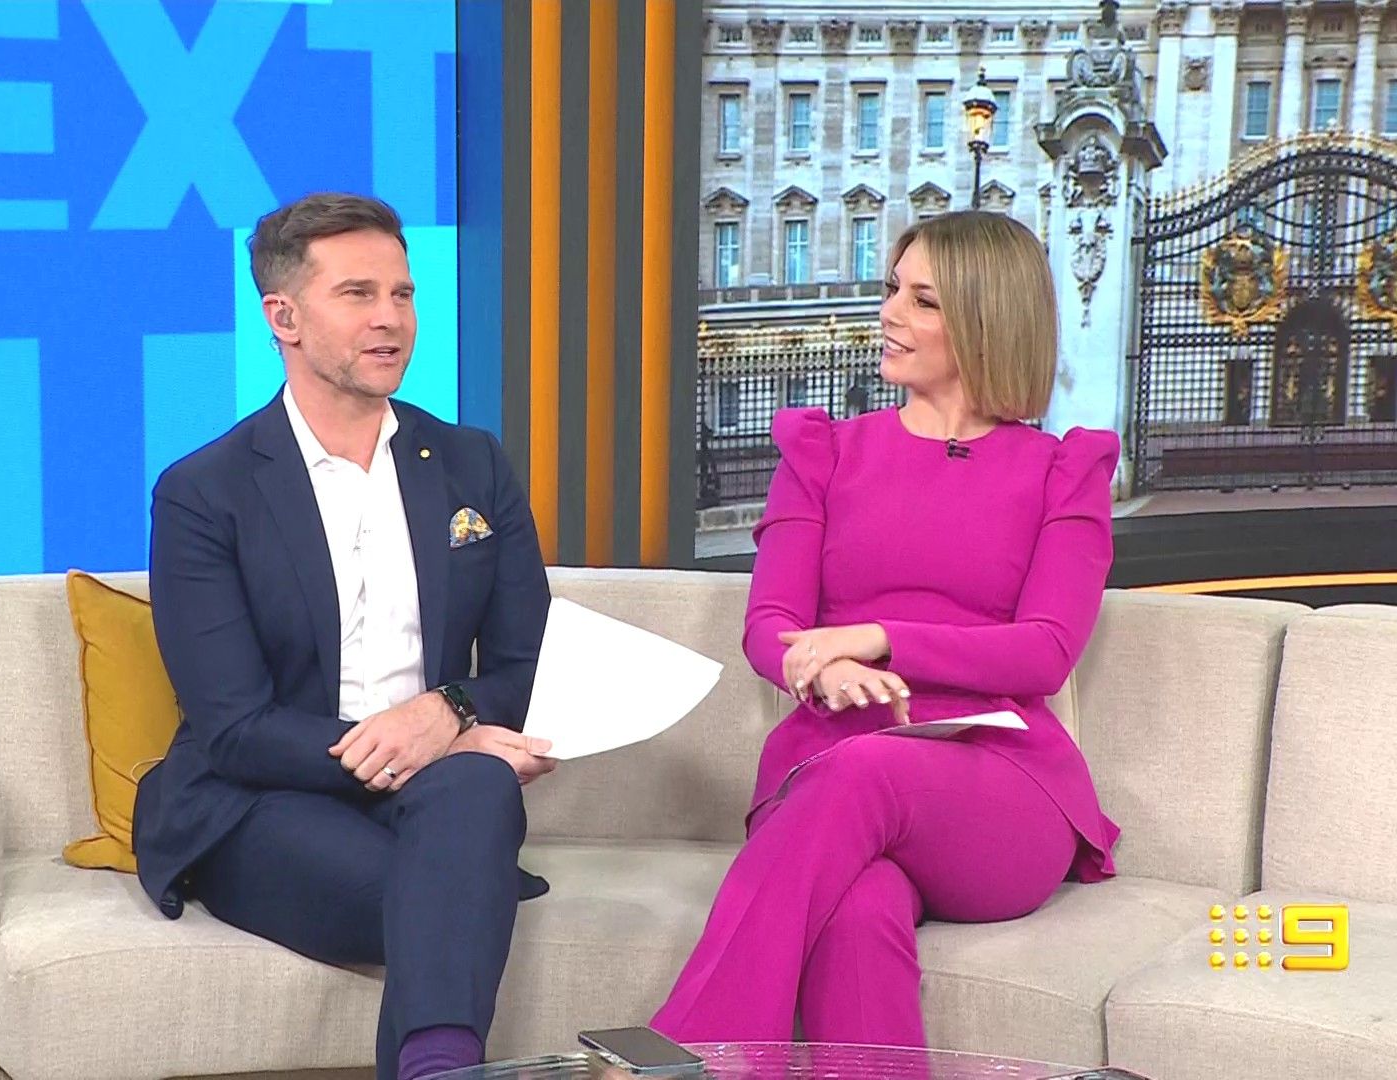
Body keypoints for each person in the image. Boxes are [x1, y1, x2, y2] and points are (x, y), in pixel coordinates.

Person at [649, 210, 1122, 1046]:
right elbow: (771, 625)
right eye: (892, 289)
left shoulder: (1061, 471)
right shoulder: (824, 453)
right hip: (829, 767)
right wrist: (819, 668)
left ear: (985, 319)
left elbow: (1045, 651)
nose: (890, 313)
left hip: (997, 787)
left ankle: (690, 1052)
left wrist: (878, 638)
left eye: (923, 300)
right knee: (857, 913)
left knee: (865, 769)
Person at [132, 193, 557, 1080]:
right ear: (283, 317)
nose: (390, 319)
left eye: (402, 294)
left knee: (476, 790)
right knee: (447, 887)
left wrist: (447, 712)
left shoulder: (473, 463)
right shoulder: (205, 492)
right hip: (259, 802)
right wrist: (408, 744)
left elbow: (525, 663)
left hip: (441, 793)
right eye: (358, 294)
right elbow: (234, 727)